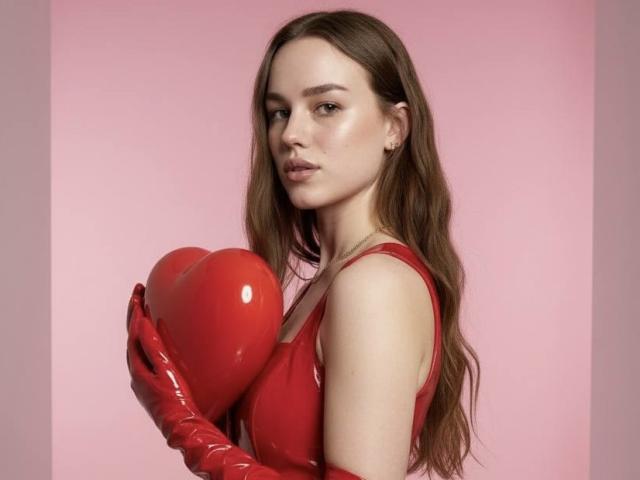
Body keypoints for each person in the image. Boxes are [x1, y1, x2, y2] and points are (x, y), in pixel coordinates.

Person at [126, 8, 481, 480]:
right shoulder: (323, 286)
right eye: (279, 112)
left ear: (395, 127)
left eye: (326, 107)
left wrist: (187, 429)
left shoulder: (375, 285)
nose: (291, 135)